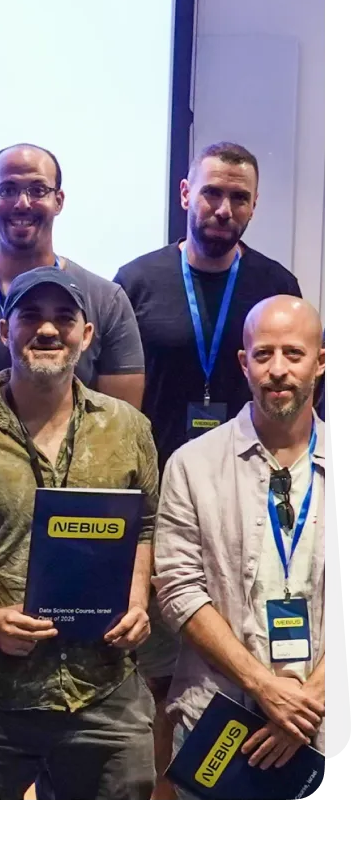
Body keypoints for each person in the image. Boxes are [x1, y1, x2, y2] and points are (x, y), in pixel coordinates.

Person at [0, 266, 158, 800]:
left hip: (103, 687)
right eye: (30, 316)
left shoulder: (128, 429)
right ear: (5, 330)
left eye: (63, 319)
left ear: (87, 335)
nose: (47, 331)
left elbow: (144, 527)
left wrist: (138, 599)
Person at [113, 141, 304, 798]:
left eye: (239, 197)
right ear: (184, 193)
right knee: (165, 679)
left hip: (247, 494)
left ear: (252, 205)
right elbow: (116, 413)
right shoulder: (135, 281)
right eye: (213, 193)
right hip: (165, 498)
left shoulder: (274, 285)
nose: (223, 209)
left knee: (248, 649)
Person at [153, 296, 327, 797]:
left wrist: (309, 700)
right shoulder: (191, 465)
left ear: (320, 361)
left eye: (293, 354)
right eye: (263, 354)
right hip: (218, 719)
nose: (277, 370)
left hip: (321, 723)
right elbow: (179, 592)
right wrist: (265, 687)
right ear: (242, 362)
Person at [0, 143, 146, 449]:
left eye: (37, 190)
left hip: (78, 493)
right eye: (8, 189)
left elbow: (121, 434)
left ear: (58, 201)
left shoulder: (107, 301)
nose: (22, 203)